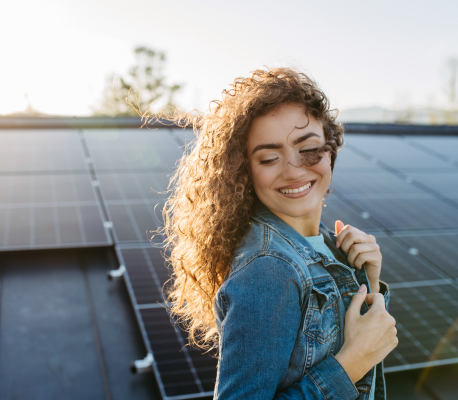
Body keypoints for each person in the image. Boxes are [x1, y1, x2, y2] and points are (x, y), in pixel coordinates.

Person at [161, 68, 397, 399]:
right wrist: (349, 366)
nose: (293, 170)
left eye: (309, 148)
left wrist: (368, 280)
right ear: (244, 171)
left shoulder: (328, 245)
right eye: (270, 158)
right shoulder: (269, 268)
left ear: (330, 151)